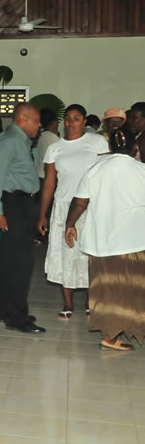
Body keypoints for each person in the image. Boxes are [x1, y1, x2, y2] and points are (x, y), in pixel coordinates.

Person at [65, 127, 145, 350]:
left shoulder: (95, 170)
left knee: (106, 290)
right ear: (134, 147)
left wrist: (70, 225)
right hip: (135, 242)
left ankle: (109, 335)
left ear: (110, 147)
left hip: (102, 242)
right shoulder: (142, 171)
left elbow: (80, 202)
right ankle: (125, 330)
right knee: (133, 289)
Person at [37, 104, 109, 319]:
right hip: (63, 205)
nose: (71, 123)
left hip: (90, 206)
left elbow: (106, 173)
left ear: (84, 121)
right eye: (68, 119)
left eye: (76, 118)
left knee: (88, 253)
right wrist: (42, 214)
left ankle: (90, 302)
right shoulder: (55, 147)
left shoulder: (96, 142)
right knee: (66, 254)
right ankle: (68, 304)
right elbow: (49, 182)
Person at [0, 102, 45, 333]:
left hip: (22, 204)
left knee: (11, 261)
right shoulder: (10, 141)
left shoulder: (21, 141)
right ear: (23, 119)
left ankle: (8, 311)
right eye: (37, 121)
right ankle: (17, 317)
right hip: (13, 204)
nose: (39, 125)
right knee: (20, 263)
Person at [36, 108, 60, 181]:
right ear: (54, 122)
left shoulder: (37, 136)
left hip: (37, 174)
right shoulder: (53, 138)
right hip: (47, 176)